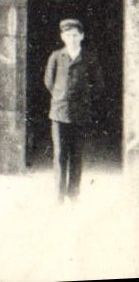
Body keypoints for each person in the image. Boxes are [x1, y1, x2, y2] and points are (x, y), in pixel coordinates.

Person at [44, 17, 103, 200]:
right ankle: (59, 195)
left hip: (80, 115)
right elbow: (49, 81)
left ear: (82, 36)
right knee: (60, 154)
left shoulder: (89, 59)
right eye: (68, 35)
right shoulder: (56, 57)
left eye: (76, 35)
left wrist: (83, 100)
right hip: (59, 114)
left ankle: (74, 194)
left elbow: (98, 85)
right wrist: (61, 97)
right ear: (63, 37)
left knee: (76, 155)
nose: (72, 39)